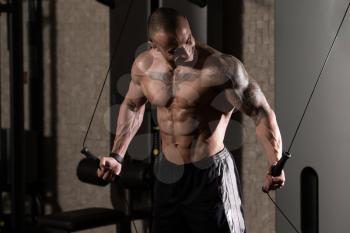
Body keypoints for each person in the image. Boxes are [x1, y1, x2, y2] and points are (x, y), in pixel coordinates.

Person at [97, 7, 285, 233]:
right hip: (167, 174)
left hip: (210, 176)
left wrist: (275, 165)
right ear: (153, 47)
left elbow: (261, 113)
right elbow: (132, 105)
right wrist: (118, 155)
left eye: (189, 39)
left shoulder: (221, 69)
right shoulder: (144, 67)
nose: (188, 50)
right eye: (176, 49)